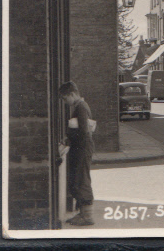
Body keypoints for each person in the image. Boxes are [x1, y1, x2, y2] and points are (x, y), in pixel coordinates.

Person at [59, 81, 95, 226]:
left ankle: (87, 217)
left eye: (65, 98)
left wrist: (70, 139)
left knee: (81, 180)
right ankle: (82, 213)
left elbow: (84, 132)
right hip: (81, 148)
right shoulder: (81, 106)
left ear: (72, 94)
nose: (64, 102)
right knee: (79, 179)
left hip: (82, 149)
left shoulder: (80, 107)